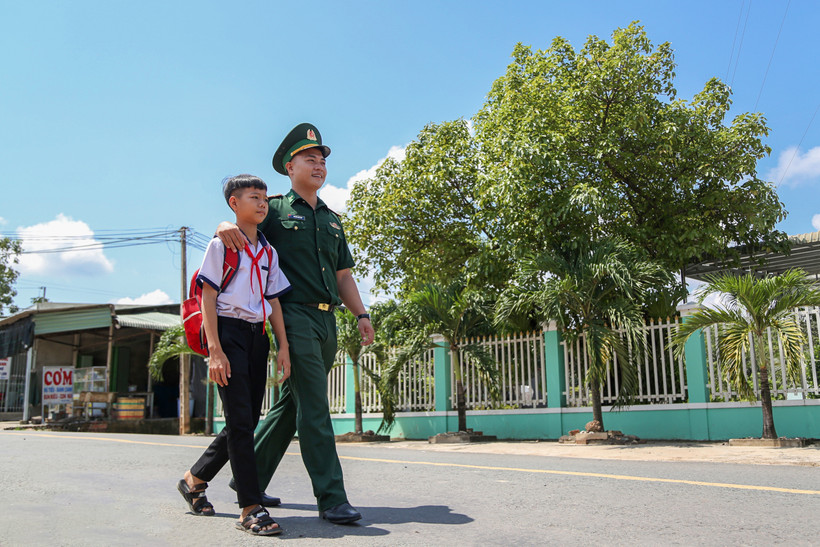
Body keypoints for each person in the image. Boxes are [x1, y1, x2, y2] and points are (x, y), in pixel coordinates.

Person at [217, 123, 374, 525]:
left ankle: (247, 477)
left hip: (327, 321)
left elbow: (343, 276)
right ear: (290, 167)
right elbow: (238, 229)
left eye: (322, 159)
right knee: (316, 407)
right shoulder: (275, 210)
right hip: (293, 316)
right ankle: (332, 498)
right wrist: (223, 225)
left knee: (291, 405)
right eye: (310, 158)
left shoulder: (333, 219)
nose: (318, 164)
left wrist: (361, 314)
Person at [178, 174, 292, 536]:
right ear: (234, 204)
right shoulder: (221, 245)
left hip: (257, 337)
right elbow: (207, 297)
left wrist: (282, 346)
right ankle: (250, 507)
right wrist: (215, 351)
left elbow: (273, 301)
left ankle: (193, 479)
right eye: (253, 197)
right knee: (241, 423)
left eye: (264, 198)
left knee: (244, 421)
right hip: (227, 334)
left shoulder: (268, 252)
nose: (262, 203)